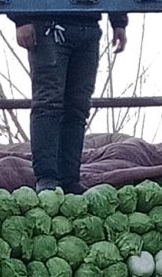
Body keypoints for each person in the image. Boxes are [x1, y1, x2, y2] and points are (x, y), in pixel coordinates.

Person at [12, 13, 127, 193]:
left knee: (78, 108)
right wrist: (21, 19)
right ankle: (47, 178)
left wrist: (118, 21)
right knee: (48, 103)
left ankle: (70, 179)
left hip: (88, 26)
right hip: (48, 24)